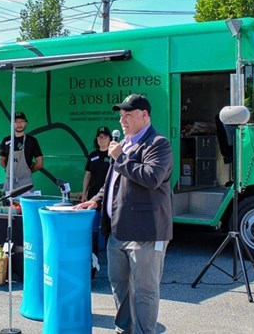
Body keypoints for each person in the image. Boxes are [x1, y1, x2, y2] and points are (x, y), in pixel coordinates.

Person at [74, 94, 173, 334]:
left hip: (145, 232)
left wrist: (120, 157)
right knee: (119, 285)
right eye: (120, 115)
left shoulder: (158, 143)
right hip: (117, 231)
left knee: (144, 290)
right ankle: (123, 328)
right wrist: (95, 201)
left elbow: (151, 177)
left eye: (128, 115)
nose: (122, 120)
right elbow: (113, 183)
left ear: (145, 115)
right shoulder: (125, 144)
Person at [81, 126, 112, 280]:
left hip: (110, 198)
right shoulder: (92, 155)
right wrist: (84, 193)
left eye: (105, 136)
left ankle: (111, 256)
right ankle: (94, 259)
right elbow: (88, 175)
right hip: (94, 198)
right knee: (93, 229)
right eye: (99, 137)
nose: (102, 139)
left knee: (108, 228)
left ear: (110, 139)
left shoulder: (113, 155)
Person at [0, 111, 43, 191]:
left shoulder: (32, 141)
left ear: (26, 123)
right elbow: (2, 161)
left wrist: (27, 172)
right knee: (8, 203)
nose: (19, 124)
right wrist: (9, 171)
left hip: (26, 183)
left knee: (25, 203)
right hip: (9, 182)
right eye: (16, 122)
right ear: (12, 124)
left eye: (22, 121)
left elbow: (39, 163)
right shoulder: (6, 140)